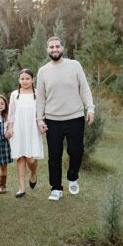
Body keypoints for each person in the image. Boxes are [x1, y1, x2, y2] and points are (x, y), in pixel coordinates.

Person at [36, 36, 95, 201]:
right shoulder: (43, 71)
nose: (54, 49)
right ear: (47, 50)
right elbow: (40, 97)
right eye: (51, 47)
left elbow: (84, 88)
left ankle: (73, 175)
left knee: (76, 151)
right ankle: (56, 188)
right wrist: (40, 120)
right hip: (52, 120)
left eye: (57, 46)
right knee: (54, 155)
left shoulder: (74, 65)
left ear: (62, 48)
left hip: (75, 117)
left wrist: (90, 108)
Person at [7, 69, 45, 198]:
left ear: (32, 80)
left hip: (33, 129)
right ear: (19, 80)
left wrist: (42, 124)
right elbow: (11, 114)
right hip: (18, 129)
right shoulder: (14, 94)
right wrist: (10, 128)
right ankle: (22, 188)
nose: (25, 81)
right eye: (22, 79)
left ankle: (33, 174)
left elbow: (41, 111)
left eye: (27, 78)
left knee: (31, 160)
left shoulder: (38, 94)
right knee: (21, 157)